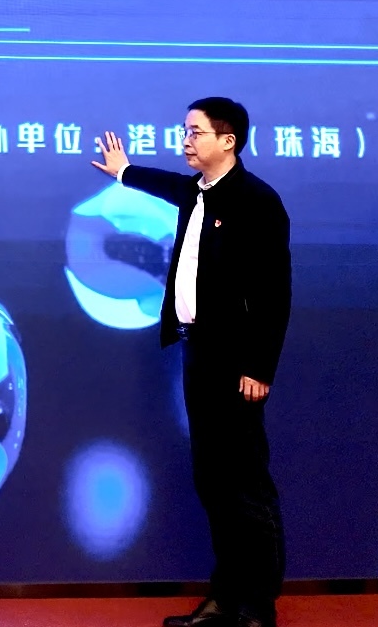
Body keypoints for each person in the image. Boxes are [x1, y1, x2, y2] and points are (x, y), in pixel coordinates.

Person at [91, 97, 290, 627]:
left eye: (195, 132)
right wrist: (125, 171)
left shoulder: (256, 200)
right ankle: (225, 596)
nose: (185, 140)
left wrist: (259, 367)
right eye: (184, 131)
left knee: (245, 483)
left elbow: (274, 293)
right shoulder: (196, 191)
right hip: (197, 350)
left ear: (228, 140)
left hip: (236, 360)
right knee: (213, 479)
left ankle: (257, 605)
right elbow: (167, 184)